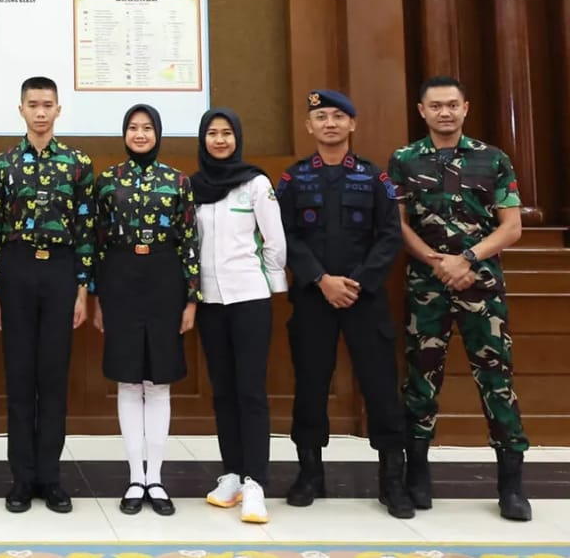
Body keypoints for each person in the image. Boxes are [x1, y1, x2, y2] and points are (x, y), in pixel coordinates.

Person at [387, 75, 531, 522]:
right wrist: (437, 261)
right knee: (420, 382)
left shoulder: (493, 159)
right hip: (427, 288)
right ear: (422, 111)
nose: (444, 112)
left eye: (452, 105)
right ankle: (417, 477)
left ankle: (511, 486)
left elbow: (512, 227)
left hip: (482, 288)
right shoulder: (404, 161)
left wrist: (465, 258)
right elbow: (398, 224)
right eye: (436, 106)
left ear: (465, 108)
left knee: (497, 383)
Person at [276, 90, 414, 519]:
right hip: (314, 298)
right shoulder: (294, 180)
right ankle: (309, 474)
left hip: (364, 298)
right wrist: (321, 279)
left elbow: (390, 234)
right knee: (311, 385)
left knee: (380, 388)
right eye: (321, 116)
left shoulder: (374, 178)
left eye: (339, 116)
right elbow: (285, 236)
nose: (330, 123)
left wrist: (356, 283)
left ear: (353, 125)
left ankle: (392, 481)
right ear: (309, 126)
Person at [0, 76, 94, 514]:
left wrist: (84, 291)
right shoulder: (0, 165)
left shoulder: (77, 163)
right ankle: (21, 478)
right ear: (22, 109)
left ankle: (50, 477)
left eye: (48, 104)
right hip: (16, 269)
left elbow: (86, 232)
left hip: (62, 272)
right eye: (33, 104)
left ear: (58, 110)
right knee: (19, 380)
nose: (41, 112)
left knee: (52, 379)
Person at [92, 104, 199, 517]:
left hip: (164, 281)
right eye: (133, 128)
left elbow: (189, 239)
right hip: (119, 281)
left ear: (158, 133)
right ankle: (134, 476)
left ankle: (156, 477)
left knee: (158, 383)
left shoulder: (178, 181)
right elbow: (97, 243)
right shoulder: (106, 182)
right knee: (127, 381)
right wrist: (98, 296)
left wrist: (191, 297)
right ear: (124, 134)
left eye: (147, 127)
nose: (140, 134)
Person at [191, 107, 286, 525]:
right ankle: (230, 473)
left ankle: (256, 483)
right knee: (223, 391)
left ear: (237, 138)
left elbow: (274, 242)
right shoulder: (193, 187)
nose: (219, 140)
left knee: (250, 392)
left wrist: (271, 288)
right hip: (210, 300)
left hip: (249, 298)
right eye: (212, 133)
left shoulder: (255, 183)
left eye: (227, 133)